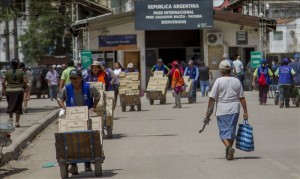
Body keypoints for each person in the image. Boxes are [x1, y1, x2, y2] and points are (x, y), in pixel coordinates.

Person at [57, 69, 100, 174]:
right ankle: (73, 165)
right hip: (72, 117)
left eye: (76, 78)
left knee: (87, 138)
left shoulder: (89, 87)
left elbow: (97, 96)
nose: (74, 80)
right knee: (72, 139)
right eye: (71, 78)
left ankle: (87, 163)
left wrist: (93, 107)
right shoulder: (67, 88)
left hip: (86, 116)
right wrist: (64, 108)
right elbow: (59, 98)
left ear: (81, 78)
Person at [206, 60, 248, 160]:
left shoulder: (219, 81)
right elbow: (242, 98)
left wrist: (208, 111)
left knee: (223, 132)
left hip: (222, 110)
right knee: (231, 131)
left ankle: (229, 147)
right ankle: (229, 152)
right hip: (234, 109)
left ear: (221, 71)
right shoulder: (236, 80)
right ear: (230, 70)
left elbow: (212, 98)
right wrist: (245, 111)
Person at [2, 59, 28, 127]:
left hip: (9, 91)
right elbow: (25, 81)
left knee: (10, 106)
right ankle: (17, 122)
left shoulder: (7, 72)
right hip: (19, 91)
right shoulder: (21, 72)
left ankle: (10, 121)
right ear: (18, 65)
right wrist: (24, 86)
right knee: (18, 107)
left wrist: (4, 90)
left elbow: (3, 82)